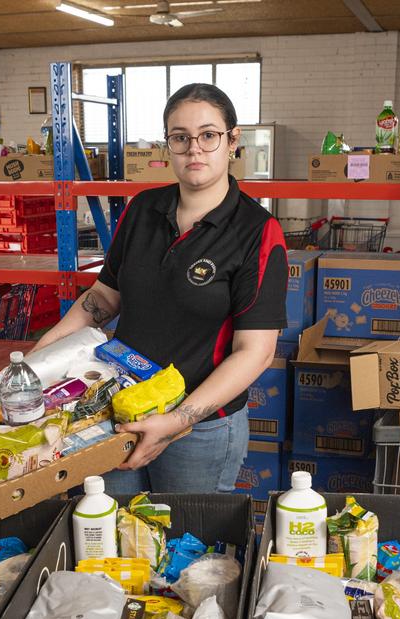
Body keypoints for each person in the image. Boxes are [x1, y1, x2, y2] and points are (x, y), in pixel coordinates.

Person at [32, 83, 288, 494]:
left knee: (182, 546)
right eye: (180, 137)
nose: (194, 149)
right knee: (112, 534)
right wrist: (35, 362)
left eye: (209, 135)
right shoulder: (143, 209)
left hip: (199, 430)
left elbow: (255, 352)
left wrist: (178, 420)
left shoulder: (256, 232)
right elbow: (102, 298)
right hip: (119, 409)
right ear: (167, 143)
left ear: (232, 140)